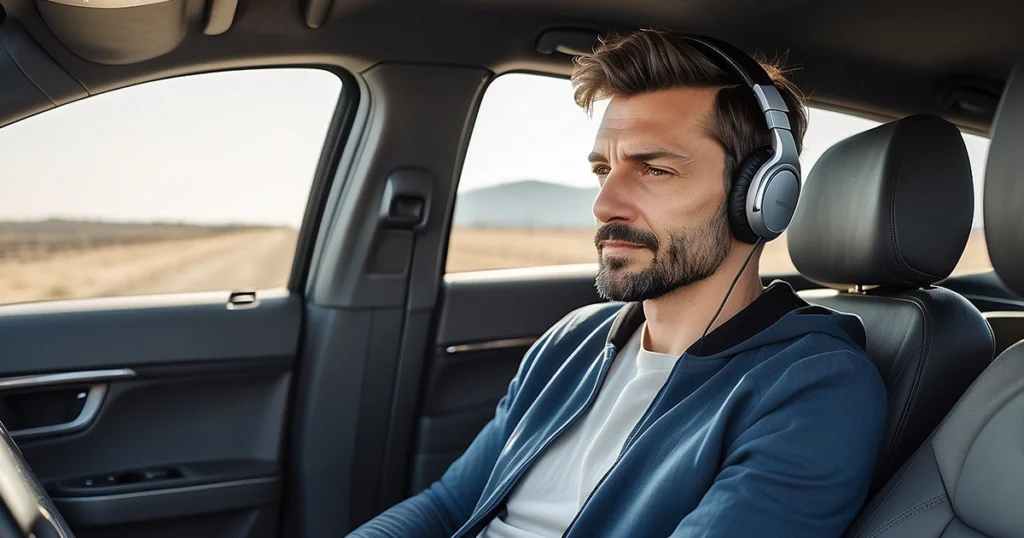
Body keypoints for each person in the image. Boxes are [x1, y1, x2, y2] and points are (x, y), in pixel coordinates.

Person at [349, 29, 886, 538]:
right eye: (604, 170)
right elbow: (449, 504)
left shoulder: (814, 386)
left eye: (654, 170)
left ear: (763, 197)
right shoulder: (572, 340)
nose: (603, 205)